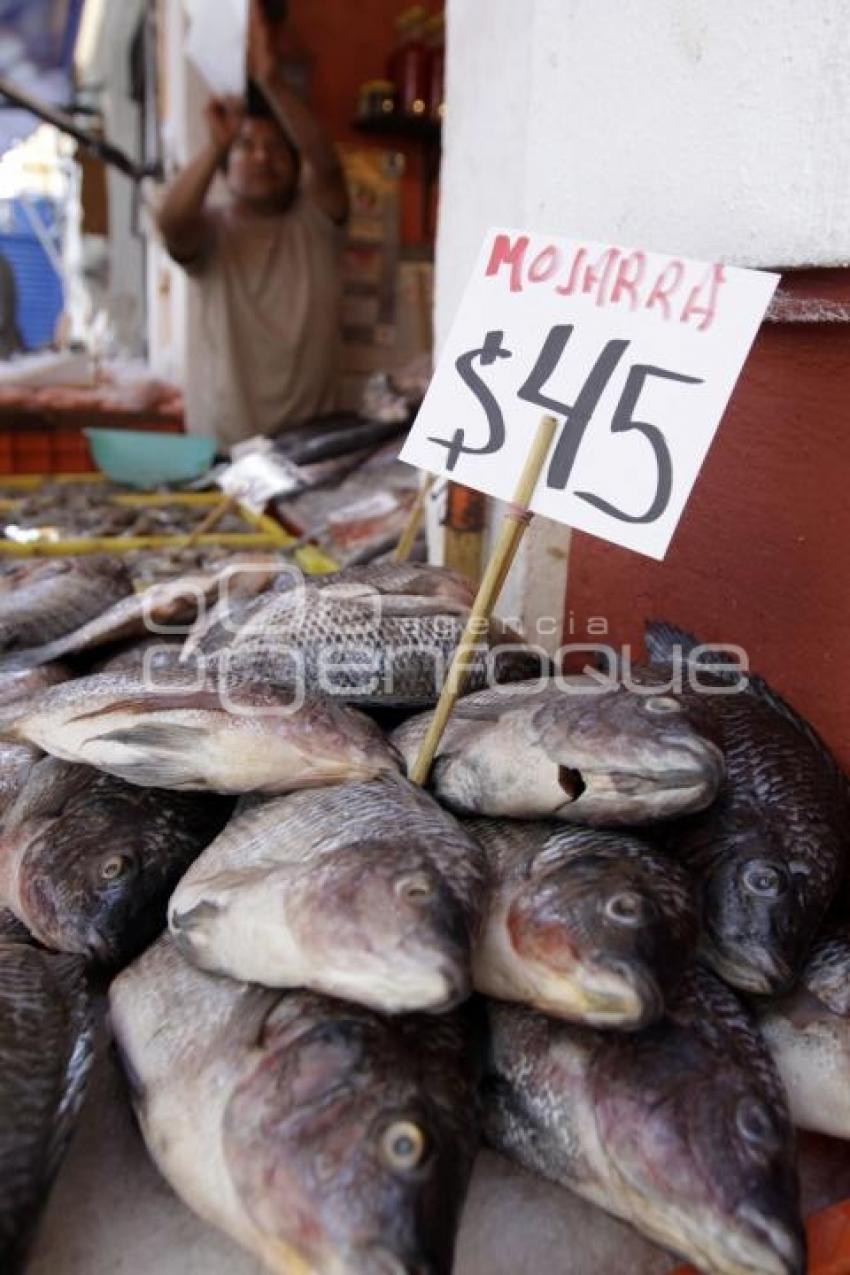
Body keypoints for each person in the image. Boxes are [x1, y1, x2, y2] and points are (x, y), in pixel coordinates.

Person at [157, 0, 349, 446]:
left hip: (312, 449)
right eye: (246, 146)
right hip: (226, 451)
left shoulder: (316, 223)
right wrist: (214, 147)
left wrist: (270, 80)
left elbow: (328, 168)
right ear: (227, 165)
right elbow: (171, 221)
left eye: (276, 147)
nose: (262, 156)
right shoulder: (210, 234)